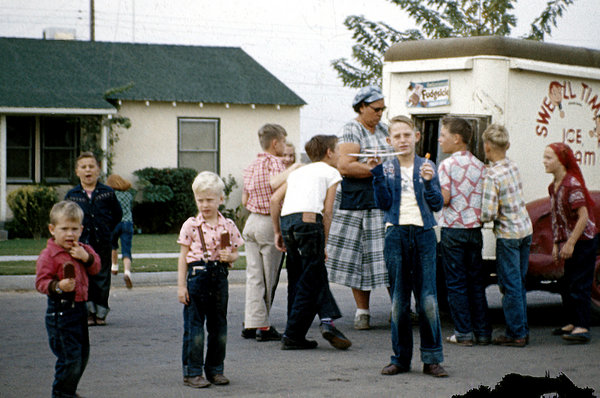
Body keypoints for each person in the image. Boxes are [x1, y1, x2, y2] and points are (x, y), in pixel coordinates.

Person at [370, 115, 447, 378]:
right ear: (389, 141)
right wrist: (377, 175)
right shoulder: (387, 167)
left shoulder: (427, 164)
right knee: (398, 302)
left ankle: (432, 359)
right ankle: (400, 359)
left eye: (407, 135)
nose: (402, 140)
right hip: (396, 235)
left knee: (428, 301)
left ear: (416, 137)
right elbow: (382, 203)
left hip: (424, 234)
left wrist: (428, 181)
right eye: (397, 136)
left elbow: (437, 204)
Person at [270, 135, 352, 350]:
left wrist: (277, 231)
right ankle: (294, 335)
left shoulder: (299, 171)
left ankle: (311, 324)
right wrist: (324, 243)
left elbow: (275, 200)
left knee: (300, 275)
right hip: (309, 222)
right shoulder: (332, 172)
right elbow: (327, 212)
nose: (340, 155)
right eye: (339, 150)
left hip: (288, 221)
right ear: (329, 153)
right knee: (310, 278)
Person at [326, 85, 392, 330]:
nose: (380, 114)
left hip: (383, 200)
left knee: (388, 255)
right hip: (358, 203)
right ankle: (362, 312)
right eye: (376, 109)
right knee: (360, 257)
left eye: (383, 109)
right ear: (362, 106)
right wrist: (378, 170)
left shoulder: (385, 130)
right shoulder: (351, 129)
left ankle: (398, 307)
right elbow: (345, 166)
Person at [177, 171, 244, 388]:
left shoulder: (228, 226)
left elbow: (235, 254)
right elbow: (183, 257)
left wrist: (230, 256)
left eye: (209, 200)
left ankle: (215, 369)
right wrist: (181, 286)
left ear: (220, 199)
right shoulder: (191, 225)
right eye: (200, 200)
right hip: (197, 277)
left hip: (219, 278)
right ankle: (192, 372)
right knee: (194, 327)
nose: (205, 205)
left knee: (219, 327)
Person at [35, 200, 101, 398]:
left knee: (82, 356)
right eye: (64, 229)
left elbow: (96, 267)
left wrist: (85, 257)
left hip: (80, 310)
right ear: (52, 229)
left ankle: (68, 390)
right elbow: (41, 282)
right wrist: (58, 286)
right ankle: (62, 393)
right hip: (60, 312)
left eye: (74, 229)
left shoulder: (82, 249)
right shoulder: (49, 256)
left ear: (81, 229)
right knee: (69, 357)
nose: (70, 234)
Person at [437, 116, 491, 346]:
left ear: (456, 139)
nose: (439, 140)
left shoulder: (446, 166)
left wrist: (429, 194)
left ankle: (463, 333)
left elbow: (445, 199)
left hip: (453, 229)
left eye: (443, 135)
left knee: (456, 283)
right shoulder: (480, 166)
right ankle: (483, 332)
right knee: (475, 282)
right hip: (474, 230)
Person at [241, 124, 297, 341]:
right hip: (268, 222)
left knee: (254, 276)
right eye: (283, 141)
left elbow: (245, 200)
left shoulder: (252, 164)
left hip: (251, 222)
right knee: (268, 278)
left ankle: (251, 322)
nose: (284, 145)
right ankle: (263, 327)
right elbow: (276, 189)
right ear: (276, 143)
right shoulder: (276, 164)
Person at [480, 124, 533, 347]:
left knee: (509, 284)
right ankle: (521, 327)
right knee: (518, 282)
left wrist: (479, 216)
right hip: (525, 229)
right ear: (508, 145)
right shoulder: (513, 165)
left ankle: (516, 333)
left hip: (508, 234)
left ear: (487, 147)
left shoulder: (492, 175)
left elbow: (488, 212)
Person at [543, 143, 597, 344]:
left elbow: (583, 217)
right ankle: (572, 321)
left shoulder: (572, 185)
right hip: (569, 240)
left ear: (561, 161)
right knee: (567, 282)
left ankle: (582, 326)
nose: (545, 162)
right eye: (544, 157)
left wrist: (571, 243)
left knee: (580, 283)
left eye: (549, 158)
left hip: (583, 240)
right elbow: (557, 218)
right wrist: (557, 243)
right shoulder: (554, 186)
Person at [65, 152, 122, 326]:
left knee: (102, 276)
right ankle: (88, 312)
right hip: (82, 244)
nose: (87, 170)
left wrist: (107, 230)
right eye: (83, 167)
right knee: (84, 276)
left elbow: (117, 214)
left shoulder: (107, 193)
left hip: (102, 242)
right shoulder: (72, 195)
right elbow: (67, 217)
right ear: (77, 172)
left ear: (98, 170)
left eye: (91, 166)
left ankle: (101, 312)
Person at [106, 174, 136, 289]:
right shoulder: (128, 195)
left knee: (113, 245)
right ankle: (127, 272)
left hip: (115, 223)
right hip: (127, 223)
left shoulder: (111, 195)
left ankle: (114, 266)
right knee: (126, 249)